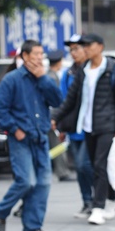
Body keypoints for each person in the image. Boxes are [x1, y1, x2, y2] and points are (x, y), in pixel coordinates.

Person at [52, 33, 115, 226]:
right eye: (83, 45)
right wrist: (55, 117)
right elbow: (70, 99)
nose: (85, 48)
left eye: (89, 45)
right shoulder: (83, 71)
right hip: (86, 126)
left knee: (98, 165)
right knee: (97, 166)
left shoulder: (113, 69)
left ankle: (97, 208)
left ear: (100, 46)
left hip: (107, 126)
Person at [0, 40, 62, 231]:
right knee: (26, 182)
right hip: (20, 139)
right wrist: (14, 129)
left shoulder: (45, 78)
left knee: (43, 183)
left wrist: (43, 79)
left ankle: (32, 227)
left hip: (41, 137)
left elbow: (57, 101)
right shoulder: (12, 79)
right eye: (36, 54)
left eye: (42, 54)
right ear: (24, 56)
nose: (40, 58)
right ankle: (1, 211)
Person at [60, 34, 95, 218]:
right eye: (71, 50)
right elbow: (64, 101)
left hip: (92, 128)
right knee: (80, 167)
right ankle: (87, 201)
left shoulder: (94, 70)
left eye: (77, 49)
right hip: (74, 128)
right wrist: (60, 125)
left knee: (84, 164)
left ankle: (100, 198)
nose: (74, 53)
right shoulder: (68, 74)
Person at [45, 49, 73, 182]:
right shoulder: (52, 78)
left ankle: (61, 171)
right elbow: (55, 101)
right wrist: (54, 118)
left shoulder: (49, 75)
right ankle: (62, 172)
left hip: (49, 116)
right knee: (56, 145)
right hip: (50, 117)